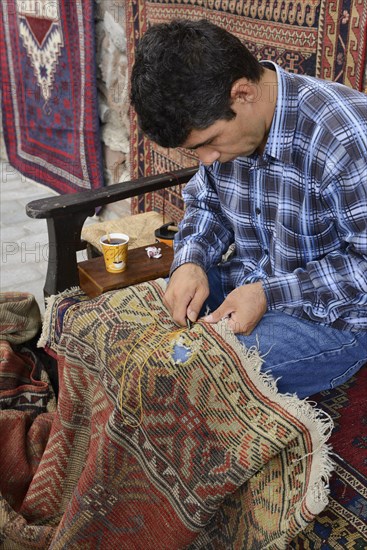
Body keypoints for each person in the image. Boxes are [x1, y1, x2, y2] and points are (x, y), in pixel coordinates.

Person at [130, 19, 367, 398]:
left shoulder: (344, 135)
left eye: (209, 143)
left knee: (178, 377)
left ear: (243, 93)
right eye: (196, 150)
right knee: (124, 329)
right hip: (245, 284)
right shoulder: (228, 128)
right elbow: (206, 203)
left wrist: (269, 294)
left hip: (334, 318)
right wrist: (190, 262)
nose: (206, 160)